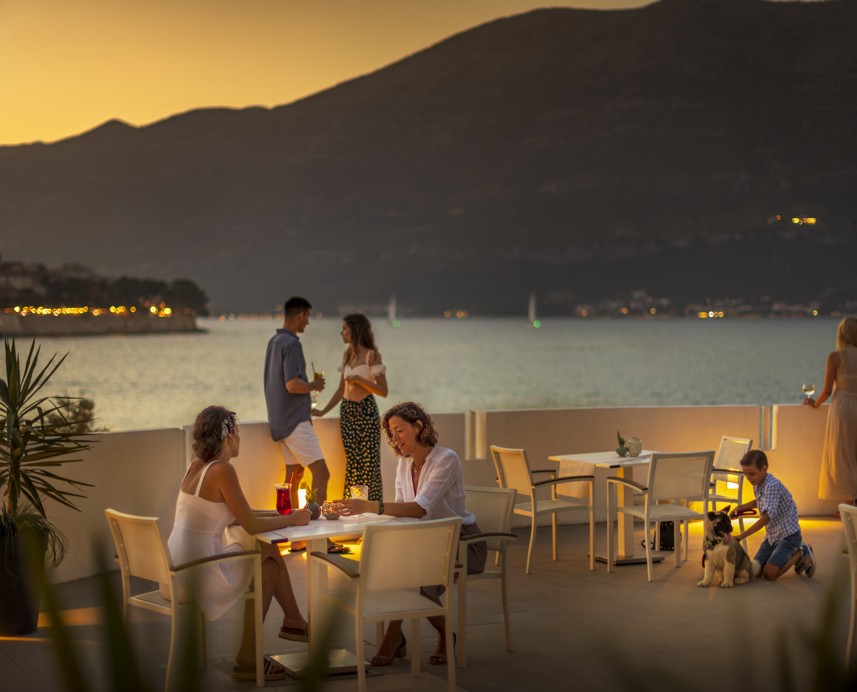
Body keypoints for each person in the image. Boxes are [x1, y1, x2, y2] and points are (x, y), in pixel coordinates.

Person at [165, 406, 311, 682]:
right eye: (238, 431)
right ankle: (293, 621)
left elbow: (237, 514)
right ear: (230, 437)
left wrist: (286, 516)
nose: (240, 437)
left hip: (175, 567)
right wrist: (294, 520)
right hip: (199, 571)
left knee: (268, 565)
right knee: (265, 548)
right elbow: (251, 525)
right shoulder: (222, 470)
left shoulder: (195, 467)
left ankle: (254, 653)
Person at [337, 401, 487, 667]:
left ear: (418, 427)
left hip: (462, 542)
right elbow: (401, 512)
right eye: (391, 433)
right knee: (389, 565)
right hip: (424, 540)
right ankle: (398, 635)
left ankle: (426, 635)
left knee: (413, 577)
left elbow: (419, 509)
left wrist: (371, 506)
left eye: (400, 430)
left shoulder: (446, 459)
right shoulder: (404, 464)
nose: (394, 438)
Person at [313, 313, 388, 500]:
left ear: (355, 330)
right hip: (347, 411)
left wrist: (359, 379)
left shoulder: (372, 355)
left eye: (345, 328)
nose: (341, 333)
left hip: (366, 411)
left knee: (369, 463)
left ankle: (372, 507)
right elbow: (340, 390)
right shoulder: (347, 355)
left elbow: (383, 390)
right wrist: (322, 411)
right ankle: (353, 506)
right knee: (353, 463)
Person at [730, 449, 816, 580]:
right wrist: (741, 507)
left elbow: (766, 518)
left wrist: (742, 535)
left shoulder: (772, 486)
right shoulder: (758, 482)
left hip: (788, 536)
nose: (748, 478)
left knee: (769, 574)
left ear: (764, 469)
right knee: (755, 570)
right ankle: (788, 554)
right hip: (772, 535)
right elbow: (760, 501)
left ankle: (800, 551)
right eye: (745, 474)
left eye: (751, 474)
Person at [803, 316, 857, 506]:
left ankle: (849, 504)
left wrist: (814, 404)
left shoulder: (835, 356)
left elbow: (826, 390)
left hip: (843, 407)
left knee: (842, 456)